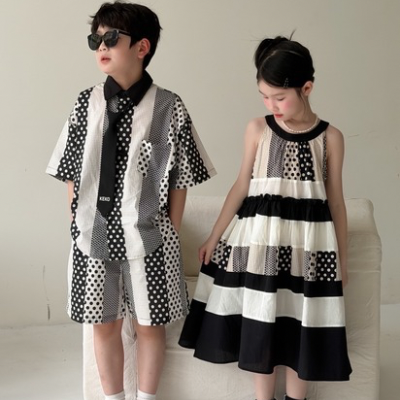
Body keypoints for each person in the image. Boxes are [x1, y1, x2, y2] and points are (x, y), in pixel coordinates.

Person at [46, 2, 215, 400]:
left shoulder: (168, 107)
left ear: (142, 47)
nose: (101, 47)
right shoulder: (85, 103)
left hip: (150, 236)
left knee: (150, 325)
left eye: (110, 38)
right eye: (95, 40)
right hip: (93, 232)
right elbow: (71, 169)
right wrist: (75, 220)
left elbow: (180, 177)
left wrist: (170, 230)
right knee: (103, 324)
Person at [179, 35, 352, 400]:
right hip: (261, 244)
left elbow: (335, 203)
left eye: (279, 97)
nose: (271, 105)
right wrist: (214, 236)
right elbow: (242, 184)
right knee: (262, 317)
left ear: (307, 88)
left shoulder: (330, 138)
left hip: (309, 247)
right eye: (264, 96)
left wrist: (342, 258)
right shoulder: (258, 129)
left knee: (301, 320)